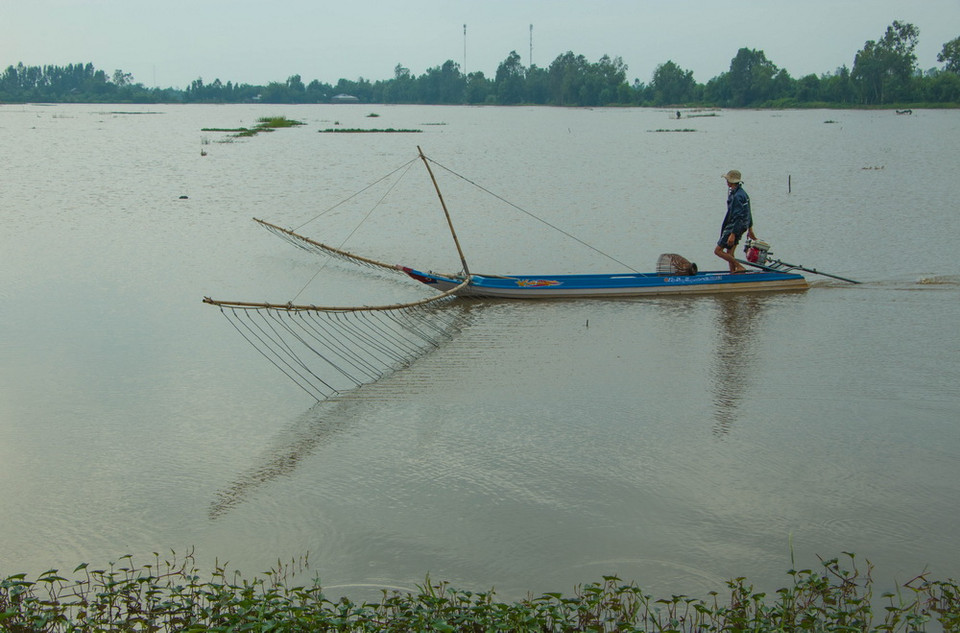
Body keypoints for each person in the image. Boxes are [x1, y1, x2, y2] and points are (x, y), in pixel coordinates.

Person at [714, 169, 756, 273]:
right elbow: (748, 212)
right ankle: (733, 273)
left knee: (718, 251)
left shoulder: (737, 196)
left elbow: (738, 216)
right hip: (741, 226)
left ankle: (739, 266)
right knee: (730, 252)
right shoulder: (742, 194)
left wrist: (732, 234)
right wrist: (750, 229)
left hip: (735, 226)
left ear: (730, 182)